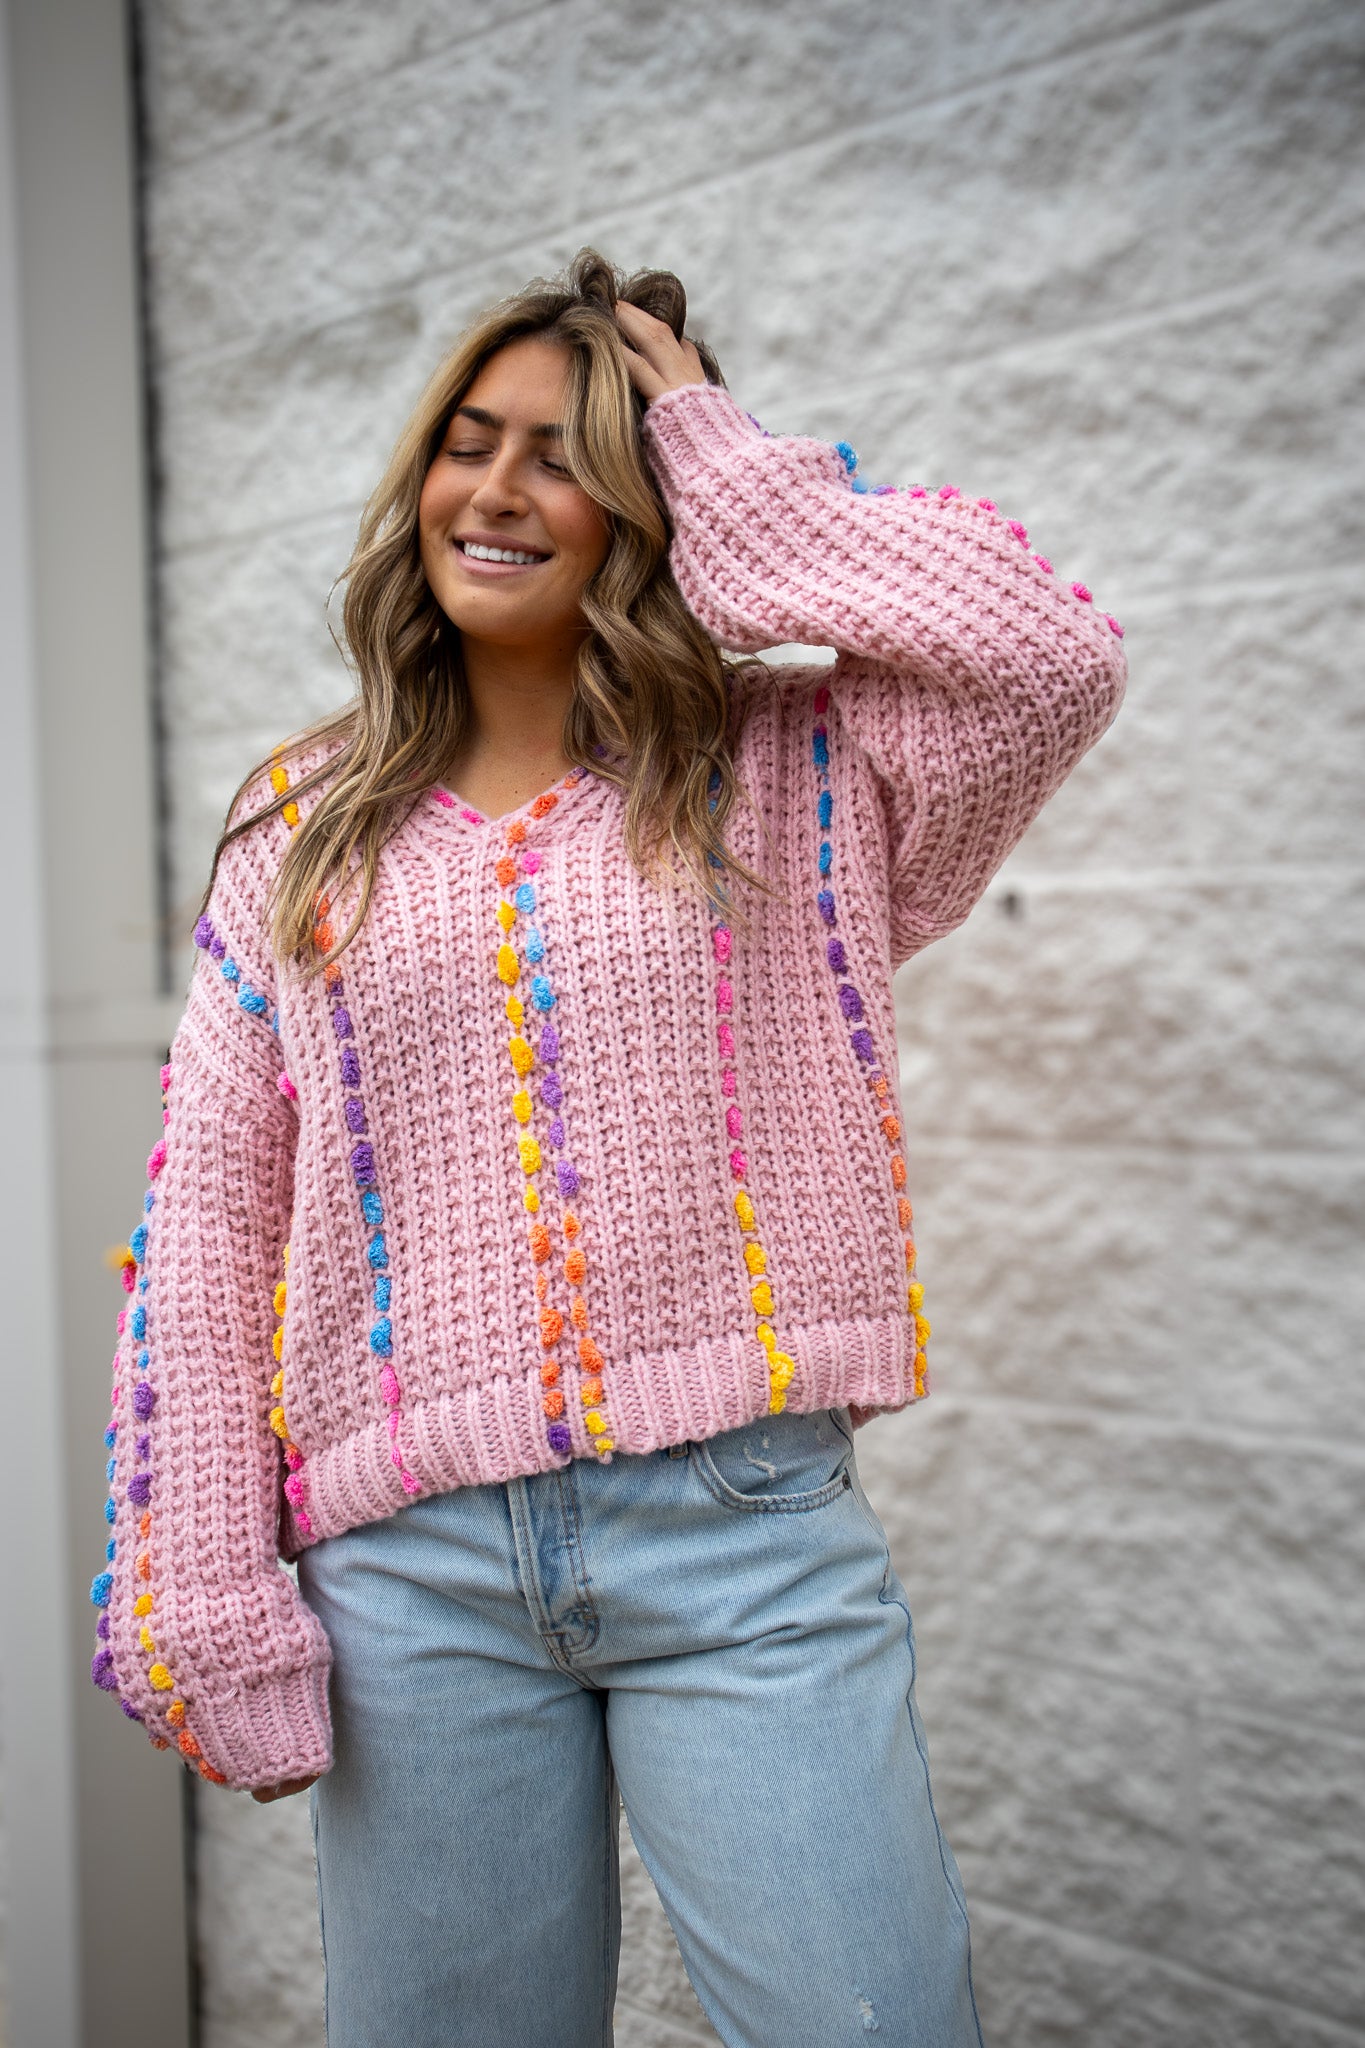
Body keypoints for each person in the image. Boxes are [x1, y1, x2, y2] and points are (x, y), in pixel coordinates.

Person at [87, 249, 1127, 2047]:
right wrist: (198, 1580)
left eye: (566, 454)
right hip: (404, 1575)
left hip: (742, 1542)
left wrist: (718, 451)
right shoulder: (298, 830)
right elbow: (207, 1227)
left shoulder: (798, 772)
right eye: (467, 443)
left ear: (648, 503)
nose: (495, 491)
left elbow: (1040, 653)